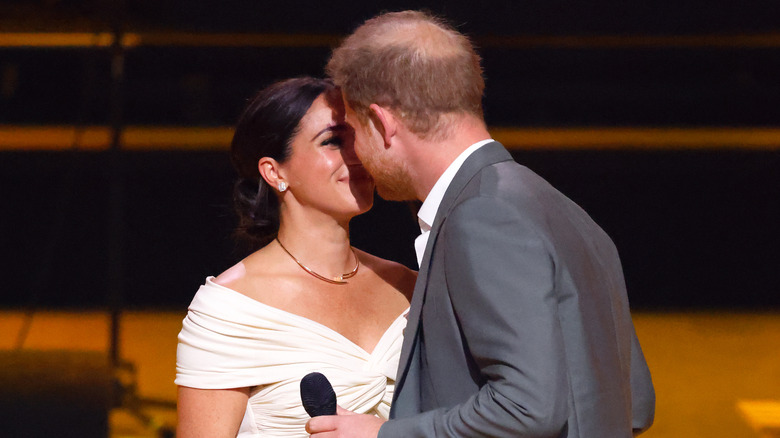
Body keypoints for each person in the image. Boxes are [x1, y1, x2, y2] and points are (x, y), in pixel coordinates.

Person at [307, 10, 655, 438]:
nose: (355, 152)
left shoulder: (483, 217)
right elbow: (635, 402)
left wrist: (382, 435)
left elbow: (528, 408)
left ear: (382, 123)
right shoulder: (565, 211)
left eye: (354, 130)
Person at [175, 77, 416, 437]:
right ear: (275, 172)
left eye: (357, 137)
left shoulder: (409, 286)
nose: (357, 155)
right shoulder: (229, 310)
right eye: (333, 141)